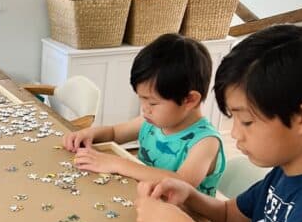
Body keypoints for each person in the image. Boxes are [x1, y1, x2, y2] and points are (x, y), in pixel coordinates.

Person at [135, 24, 302, 222]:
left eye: (247, 121)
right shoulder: (283, 172)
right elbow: (227, 216)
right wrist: (188, 194)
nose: (235, 134)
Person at [63, 33, 225, 196]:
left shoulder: (206, 142)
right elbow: (114, 133)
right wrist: (89, 134)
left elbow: (180, 182)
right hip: (144, 201)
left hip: (185, 218)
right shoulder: (151, 122)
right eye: (142, 99)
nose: (144, 109)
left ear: (189, 100)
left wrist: (119, 164)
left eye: (153, 103)